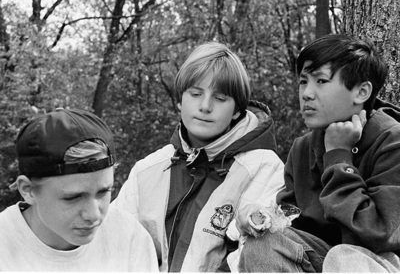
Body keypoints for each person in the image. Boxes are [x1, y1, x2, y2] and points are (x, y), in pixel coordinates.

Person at [113, 41, 285, 272]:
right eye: (195, 94)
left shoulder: (263, 167)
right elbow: (114, 243)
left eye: (220, 98)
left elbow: (255, 257)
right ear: (179, 100)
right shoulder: (148, 170)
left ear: (237, 110)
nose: (205, 106)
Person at [236, 34, 400, 272]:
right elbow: (292, 223)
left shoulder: (392, 141)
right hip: (324, 257)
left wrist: (338, 156)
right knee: (263, 244)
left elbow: (379, 234)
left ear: (361, 92)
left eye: (321, 81)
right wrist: (261, 218)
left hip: (379, 263)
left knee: (344, 257)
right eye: (303, 81)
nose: (306, 94)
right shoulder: (303, 147)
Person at [0, 108, 159, 272]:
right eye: (73, 198)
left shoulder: (128, 237)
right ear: (28, 190)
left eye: (103, 192)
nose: (93, 215)